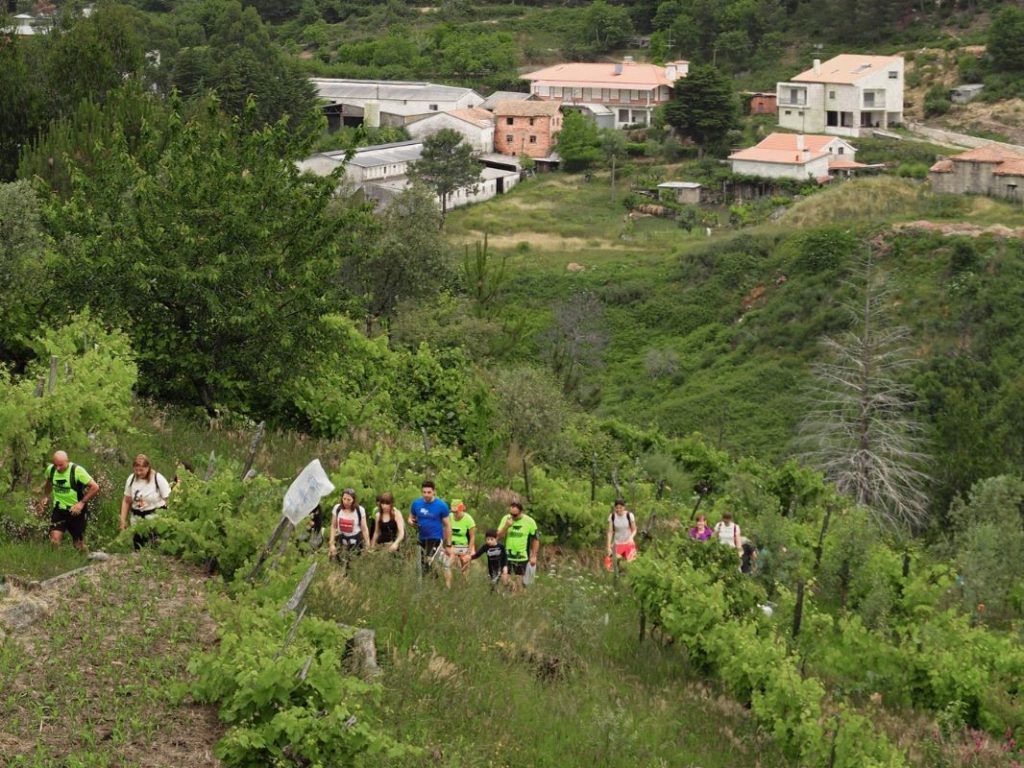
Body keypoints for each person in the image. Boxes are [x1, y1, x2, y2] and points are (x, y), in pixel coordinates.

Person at [39, 450, 100, 552]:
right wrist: (46, 496)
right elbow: (49, 483)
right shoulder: (51, 470)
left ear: (67, 461)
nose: (57, 468)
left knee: (78, 545)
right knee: (54, 541)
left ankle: (86, 560)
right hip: (59, 510)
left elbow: (95, 487)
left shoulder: (77, 471)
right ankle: (56, 564)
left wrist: (81, 503)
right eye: (55, 465)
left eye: (61, 465)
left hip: (76, 511)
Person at [119, 454, 172, 550]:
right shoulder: (131, 479)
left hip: (155, 519)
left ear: (147, 468)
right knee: (138, 548)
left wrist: (167, 520)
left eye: (141, 470)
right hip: (137, 520)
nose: (138, 473)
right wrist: (122, 520)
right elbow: (126, 501)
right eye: (136, 470)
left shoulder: (157, 478)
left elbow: (168, 499)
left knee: (155, 547)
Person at [408, 480, 452, 576]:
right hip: (421, 537)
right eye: (424, 492)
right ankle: (430, 582)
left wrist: (449, 545)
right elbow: (410, 518)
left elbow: (448, 525)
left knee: (429, 559)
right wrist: (411, 522)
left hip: (435, 537)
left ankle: (432, 579)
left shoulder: (441, 505)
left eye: (429, 492)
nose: (426, 495)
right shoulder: (416, 504)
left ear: (434, 491)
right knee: (422, 564)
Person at [497, 501, 539, 593]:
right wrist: (506, 526)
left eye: (515, 515)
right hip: (507, 555)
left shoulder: (529, 521)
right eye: (511, 514)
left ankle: (516, 600)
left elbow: (535, 539)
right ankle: (514, 588)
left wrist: (534, 556)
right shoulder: (506, 519)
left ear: (521, 512)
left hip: (521, 557)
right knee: (504, 580)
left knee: (520, 583)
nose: (512, 517)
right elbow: (498, 537)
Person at [329, 488, 370, 563]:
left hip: (355, 541)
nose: (346, 502)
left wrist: (367, 545)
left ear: (353, 500)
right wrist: (331, 543)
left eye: (349, 500)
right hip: (341, 539)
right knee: (339, 563)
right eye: (344, 499)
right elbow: (333, 526)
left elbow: (364, 529)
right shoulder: (337, 508)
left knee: (353, 563)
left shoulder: (359, 510)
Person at [448, 499, 476, 585]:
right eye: (453, 512)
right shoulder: (449, 517)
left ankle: (466, 584)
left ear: (461, 509)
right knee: (448, 564)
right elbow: (446, 531)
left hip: (465, 545)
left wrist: (469, 551)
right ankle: (449, 585)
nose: (455, 514)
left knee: (465, 569)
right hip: (452, 545)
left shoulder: (468, 519)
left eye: (456, 512)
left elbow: (472, 536)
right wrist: (448, 545)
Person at [605, 499, 637, 570]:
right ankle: (616, 577)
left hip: (628, 543)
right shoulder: (612, 516)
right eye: (617, 508)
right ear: (615, 508)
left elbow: (634, 529)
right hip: (617, 543)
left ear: (624, 507)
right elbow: (610, 532)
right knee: (611, 565)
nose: (619, 510)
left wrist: (631, 537)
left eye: (620, 508)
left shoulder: (629, 515)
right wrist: (608, 546)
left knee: (630, 564)